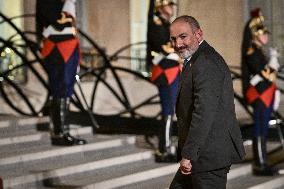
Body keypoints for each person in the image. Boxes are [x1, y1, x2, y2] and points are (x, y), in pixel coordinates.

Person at [169, 15, 245, 188]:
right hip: (201, 155)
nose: (178, 44)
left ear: (198, 34)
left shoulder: (205, 61)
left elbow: (203, 112)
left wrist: (189, 154)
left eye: (183, 37)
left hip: (208, 157)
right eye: (173, 39)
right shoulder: (196, 60)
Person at [36, 0, 87, 146]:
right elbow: (55, 20)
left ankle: (64, 131)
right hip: (58, 46)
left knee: (67, 88)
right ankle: (59, 133)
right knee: (61, 87)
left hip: (69, 45)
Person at [244, 15, 280, 176]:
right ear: (255, 36)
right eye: (263, 34)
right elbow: (269, 75)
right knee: (260, 129)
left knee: (263, 129)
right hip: (260, 95)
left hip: (265, 93)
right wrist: (273, 61)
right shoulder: (252, 52)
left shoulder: (260, 52)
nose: (266, 37)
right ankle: (260, 163)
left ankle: (263, 161)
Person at [146, 0, 181, 162]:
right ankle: (163, 149)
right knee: (167, 110)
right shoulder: (156, 22)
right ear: (160, 6)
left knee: (170, 110)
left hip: (173, 70)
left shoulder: (168, 24)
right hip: (165, 70)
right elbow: (164, 47)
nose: (172, 8)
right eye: (169, 5)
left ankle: (167, 146)